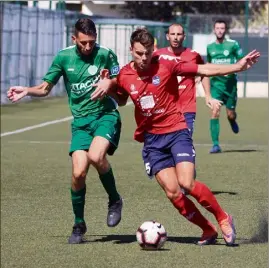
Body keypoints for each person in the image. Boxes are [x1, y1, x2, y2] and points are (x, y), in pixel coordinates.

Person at [92, 28, 259, 246]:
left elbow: (203, 69)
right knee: (173, 193)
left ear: (153, 48)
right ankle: (207, 229)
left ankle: (223, 218)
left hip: (177, 131)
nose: (144, 58)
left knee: (186, 183)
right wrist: (109, 85)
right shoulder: (124, 74)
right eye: (139, 53)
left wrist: (237, 66)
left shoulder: (167, 64)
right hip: (152, 141)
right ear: (131, 50)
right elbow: (122, 99)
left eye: (148, 52)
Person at [7, 18, 123, 244]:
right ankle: (79, 224)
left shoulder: (106, 54)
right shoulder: (63, 57)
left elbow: (120, 80)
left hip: (105, 116)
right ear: (74, 39)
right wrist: (27, 91)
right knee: (78, 173)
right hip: (80, 123)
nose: (88, 47)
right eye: (83, 43)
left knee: (96, 156)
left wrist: (109, 84)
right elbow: (45, 87)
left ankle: (115, 199)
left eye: (91, 42)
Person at [153, 23, 222, 137]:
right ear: (167, 36)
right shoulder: (157, 56)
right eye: (173, 34)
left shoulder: (193, 55)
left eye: (179, 34)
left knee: (185, 142)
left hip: (187, 109)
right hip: (164, 109)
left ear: (184, 37)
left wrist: (208, 96)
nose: (175, 37)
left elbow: (204, 72)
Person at [207, 20, 244, 153]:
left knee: (230, 114)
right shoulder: (210, 47)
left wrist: (237, 67)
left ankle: (232, 120)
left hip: (230, 86)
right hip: (216, 86)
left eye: (222, 28)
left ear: (225, 30)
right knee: (214, 112)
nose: (220, 30)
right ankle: (215, 145)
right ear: (214, 29)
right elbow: (209, 65)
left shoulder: (233, 45)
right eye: (217, 28)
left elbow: (241, 60)